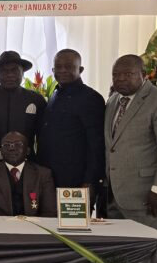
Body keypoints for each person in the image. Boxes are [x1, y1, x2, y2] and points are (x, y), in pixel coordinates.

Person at [104, 54, 157, 231]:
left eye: (128, 74)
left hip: (148, 198)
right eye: (116, 74)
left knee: (148, 247)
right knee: (119, 248)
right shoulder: (113, 100)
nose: (120, 79)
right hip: (114, 196)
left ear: (144, 74)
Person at [36, 49, 106, 193]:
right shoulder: (55, 93)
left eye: (68, 66)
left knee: (72, 211)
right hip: (48, 176)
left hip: (76, 179)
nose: (62, 70)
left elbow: (96, 144)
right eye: (58, 67)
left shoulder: (91, 98)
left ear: (80, 69)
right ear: (53, 70)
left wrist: (90, 180)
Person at [0, 51, 46, 156]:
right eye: (4, 71)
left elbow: (43, 136)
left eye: (15, 70)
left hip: (27, 160)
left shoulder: (36, 99)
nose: (9, 75)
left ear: (22, 73)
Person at [0, 132, 57, 217]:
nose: (11, 148)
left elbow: (49, 212)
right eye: (6, 145)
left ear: (28, 150)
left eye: (18, 144)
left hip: (33, 224)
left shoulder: (43, 174)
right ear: (1, 151)